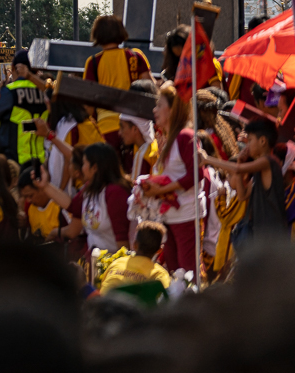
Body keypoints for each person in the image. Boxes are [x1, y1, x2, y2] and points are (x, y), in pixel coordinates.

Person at [200, 116, 288, 247]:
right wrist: (240, 161)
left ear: (262, 141)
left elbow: (237, 169)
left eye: (250, 140)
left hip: (272, 234)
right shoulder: (260, 169)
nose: (248, 145)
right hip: (261, 234)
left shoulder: (268, 162)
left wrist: (207, 159)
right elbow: (242, 195)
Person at [34, 142, 131, 255]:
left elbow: (123, 240)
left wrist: (119, 264)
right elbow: (73, 207)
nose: (82, 168)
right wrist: (45, 186)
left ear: (94, 168)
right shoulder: (90, 189)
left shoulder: (115, 192)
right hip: (95, 260)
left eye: (84, 163)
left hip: (114, 262)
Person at [147, 83, 203, 272]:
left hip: (186, 215)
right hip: (169, 215)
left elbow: (196, 174)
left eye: (159, 105)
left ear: (172, 110)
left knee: (188, 270)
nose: (154, 110)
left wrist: (161, 189)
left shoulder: (185, 136)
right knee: (172, 269)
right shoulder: (169, 138)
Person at [82, 15, 151, 148]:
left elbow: (88, 104)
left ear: (97, 34)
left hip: (105, 129)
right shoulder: (135, 57)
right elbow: (149, 88)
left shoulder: (93, 63)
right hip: (134, 129)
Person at [0, 51, 49, 166]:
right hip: (41, 160)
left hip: (14, 162)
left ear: (14, 67)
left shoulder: (10, 91)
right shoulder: (44, 92)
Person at [99, 221, 171, 291]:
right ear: (160, 250)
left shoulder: (116, 263)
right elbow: (167, 294)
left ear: (134, 245)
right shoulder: (159, 273)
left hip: (104, 299)